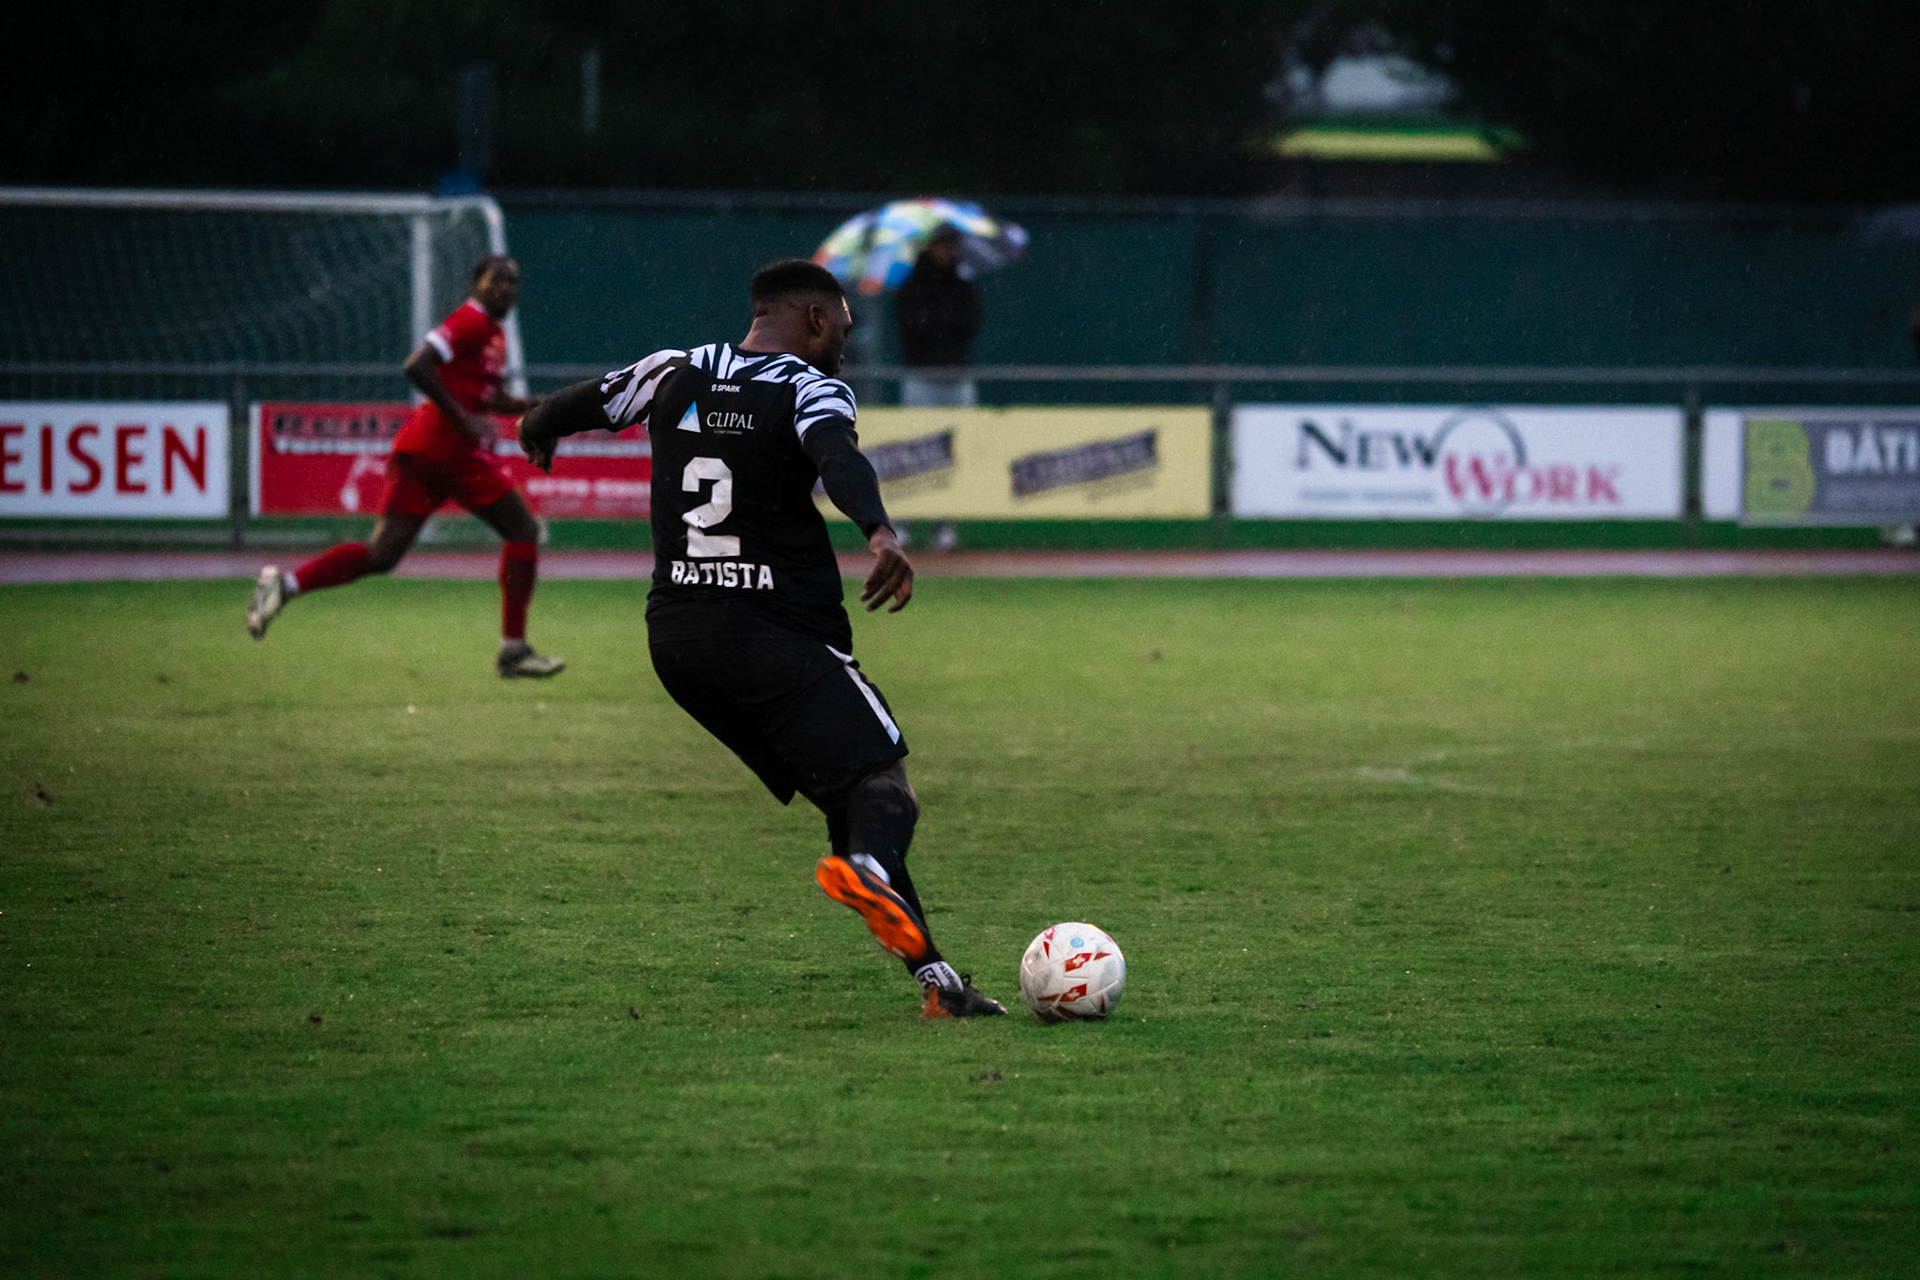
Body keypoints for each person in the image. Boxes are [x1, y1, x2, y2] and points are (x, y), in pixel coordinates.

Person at [517, 258, 1005, 1019]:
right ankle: (871, 867)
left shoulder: (672, 370)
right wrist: (879, 530)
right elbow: (837, 454)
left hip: (679, 642)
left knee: (848, 796)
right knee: (886, 791)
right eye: (840, 327)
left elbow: (576, 404)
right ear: (813, 319)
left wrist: (537, 427)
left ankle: (937, 984)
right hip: (772, 632)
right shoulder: (809, 386)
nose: (842, 343)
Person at [246, 256, 565, 679]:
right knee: (523, 531)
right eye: (497, 279)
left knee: (381, 555)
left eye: (513, 281)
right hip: (447, 449)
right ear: (476, 283)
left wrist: (530, 406)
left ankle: (285, 586)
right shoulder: (469, 320)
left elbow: (486, 395)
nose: (506, 288)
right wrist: (462, 418)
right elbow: (416, 365)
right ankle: (513, 650)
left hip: (422, 450)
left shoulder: (492, 333)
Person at [894, 225, 980, 409]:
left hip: (956, 375)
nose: (949, 250)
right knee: (920, 435)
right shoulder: (914, 285)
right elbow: (911, 327)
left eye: (952, 244)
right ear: (930, 246)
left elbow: (970, 323)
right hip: (922, 376)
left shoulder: (962, 284)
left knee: (966, 433)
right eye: (942, 243)